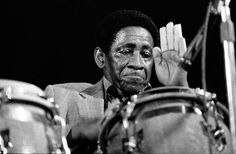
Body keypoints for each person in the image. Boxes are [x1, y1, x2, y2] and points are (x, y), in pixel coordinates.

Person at [44, 10, 233, 154]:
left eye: (146, 54)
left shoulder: (164, 110)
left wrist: (180, 86)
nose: (138, 64)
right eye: (126, 51)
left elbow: (211, 148)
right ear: (101, 58)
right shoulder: (60, 97)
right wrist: (79, 131)